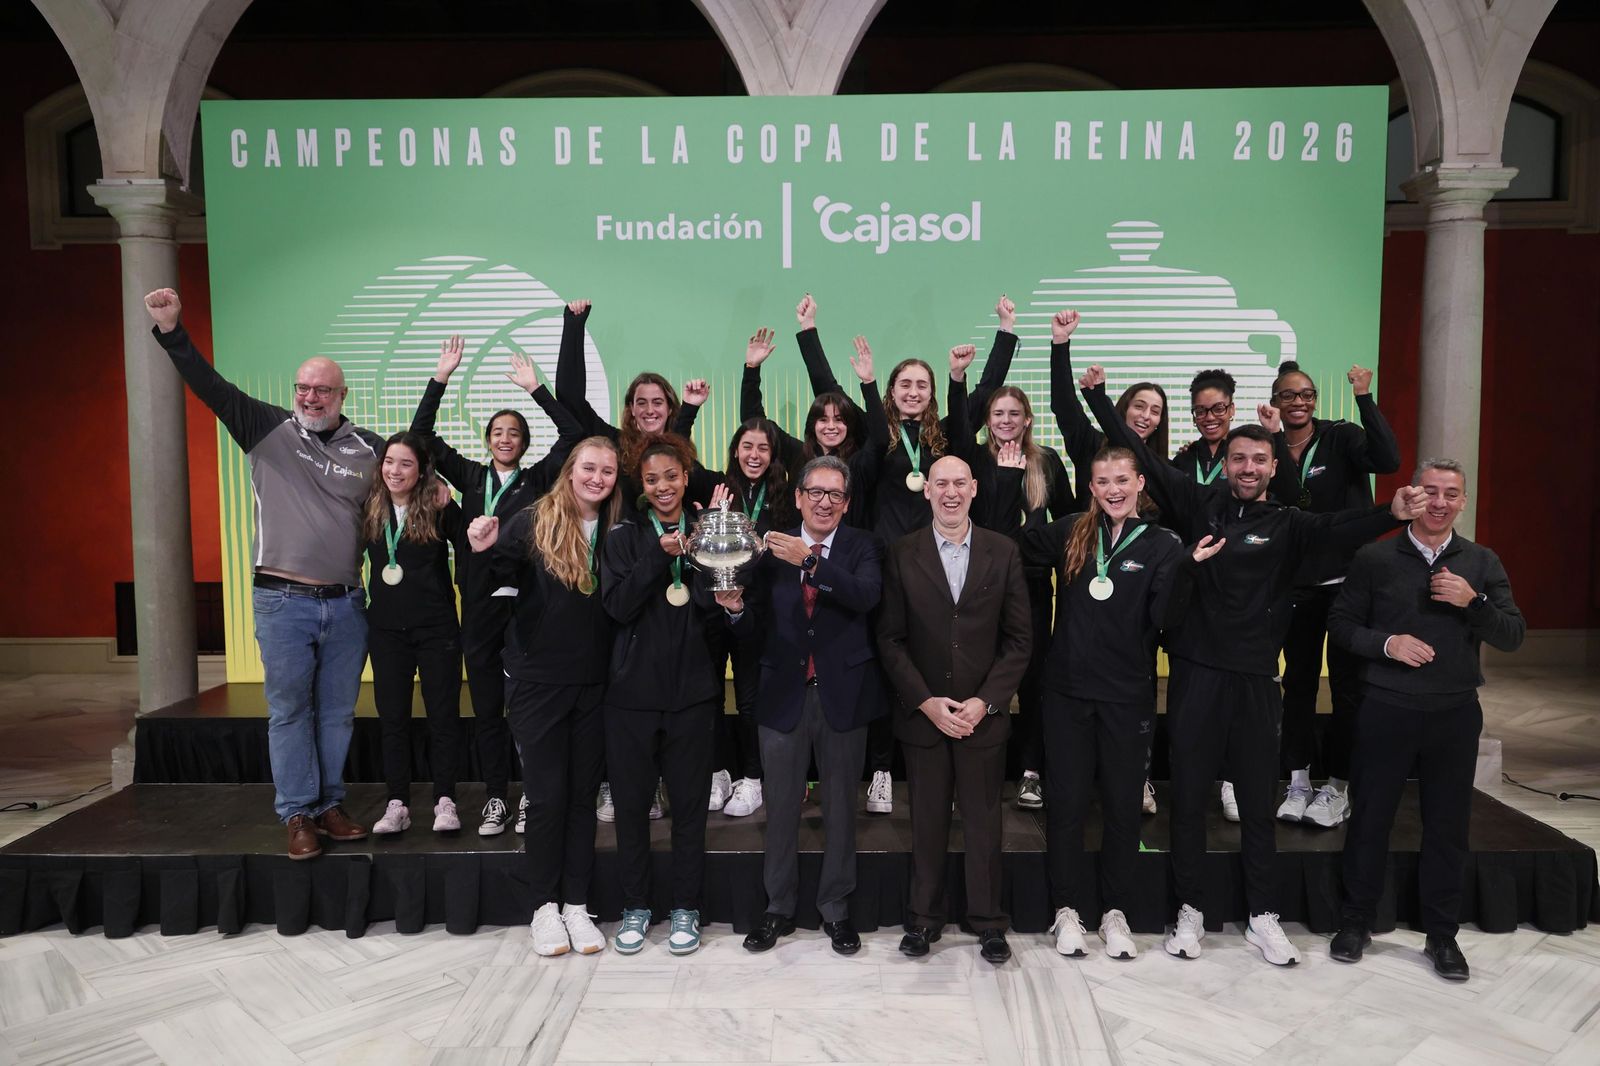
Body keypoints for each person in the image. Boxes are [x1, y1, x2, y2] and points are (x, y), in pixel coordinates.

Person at [1081, 364, 1424, 966]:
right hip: (1193, 674)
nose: (1245, 468)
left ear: (1271, 468)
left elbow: (1345, 525)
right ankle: (1189, 910)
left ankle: (1263, 913)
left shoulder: (1290, 523)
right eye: (1237, 459)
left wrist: (1392, 512)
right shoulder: (1197, 501)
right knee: (1187, 797)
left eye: (1257, 461)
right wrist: (1099, 398)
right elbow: (1140, 452)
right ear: (1226, 461)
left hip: (1256, 681)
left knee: (1258, 802)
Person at [145, 288, 381, 860]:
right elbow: (211, 388)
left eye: (322, 389)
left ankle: (329, 803)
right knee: (290, 710)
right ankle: (297, 812)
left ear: (342, 394)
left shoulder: (371, 448)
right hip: (283, 600)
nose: (310, 396)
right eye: (303, 387)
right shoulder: (267, 428)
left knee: (336, 712)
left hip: (347, 603)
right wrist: (173, 332)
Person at [1327, 459, 1524, 981]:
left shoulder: (1481, 561)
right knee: (1370, 818)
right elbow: (1342, 625)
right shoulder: (1375, 556)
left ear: (1464, 501)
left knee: (1447, 826)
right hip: (1386, 706)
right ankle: (1355, 921)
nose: (1439, 502)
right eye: (1430, 491)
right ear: (1415, 495)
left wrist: (1473, 601)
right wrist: (1387, 643)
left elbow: (1512, 634)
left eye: (1450, 494)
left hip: (1454, 712)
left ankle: (1442, 935)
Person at [1006, 445, 1194, 959]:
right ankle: (1066, 910)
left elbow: (1165, 618)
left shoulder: (1163, 544)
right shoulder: (1072, 531)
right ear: (1091, 488)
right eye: (1103, 481)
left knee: (1121, 810)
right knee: (1065, 807)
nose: (1113, 489)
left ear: (1139, 485)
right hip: (1065, 693)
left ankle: (1116, 913)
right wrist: (1006, 482)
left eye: (1122, 480)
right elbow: (1013, 544)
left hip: (1127, 696)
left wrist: (1188, 571)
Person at [410, 334, 585, 836]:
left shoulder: (538, 480)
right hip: (482, 612)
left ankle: (532, 794)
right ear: (487, 439)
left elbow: (572, 436)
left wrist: (537, 389)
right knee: (487, 709)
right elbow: (422, 436)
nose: (506, 438)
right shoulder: (467, 476)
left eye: (515, 433)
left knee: (529, 712)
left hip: (530, 612)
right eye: (498, 432)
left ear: (524, 443)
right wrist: (440, 378)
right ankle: (494, 797)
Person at [467, 436, 623, 956]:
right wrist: (485, 550)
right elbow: (498, 584)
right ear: (570, 471)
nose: (596, 477)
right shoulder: (534, 520)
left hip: (596, 685)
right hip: (537, 684)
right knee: (548, 797)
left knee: (582, 798)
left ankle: (577, 904)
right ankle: (543, 908)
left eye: (606, 470)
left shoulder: (618, 528)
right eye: (588, 468)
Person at [726, 456, 884, 955]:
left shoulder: (863, 545)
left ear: (846, 503)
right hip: (781, 696)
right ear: (797, 497)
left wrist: (810, 561)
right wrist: (734, 610)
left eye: (835, 495)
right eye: (815, 492)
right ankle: (777, 908)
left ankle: (836, 910)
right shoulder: (768, 547)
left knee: (840, 808)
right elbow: (753, 630)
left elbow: (865, 596)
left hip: (842, 696)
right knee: (780, 810)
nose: (824, 502)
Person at [877, 455, 1032, 964]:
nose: (949, 492)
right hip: (924, 716)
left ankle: (988, 921)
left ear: (974, 489)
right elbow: (890, 639)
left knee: (986, 821)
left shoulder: (1003, 550)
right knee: (925, 821)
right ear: (927, 492)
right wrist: (925, 702)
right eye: (940, 483)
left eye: (958, 483)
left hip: (980, 716)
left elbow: (1018, 641)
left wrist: (984, 702)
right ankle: (923, 920)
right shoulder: (901, 553)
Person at [600, 435, 723, 955]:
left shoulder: (704, 532)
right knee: (631, 809)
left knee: (690, 811)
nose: (663, 487)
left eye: (671, 476)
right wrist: (658, 553)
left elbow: (715, 610)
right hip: (631, 697)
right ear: (642, 486)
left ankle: (685, 909)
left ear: (686, 474)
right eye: (652, 480)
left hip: (693, 693)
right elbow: (619, 606)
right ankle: (635, 906)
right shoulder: (624, 536)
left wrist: (698, 549)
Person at [1266, 360, 1400, 828]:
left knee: (1348, 690)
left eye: (1307, 394)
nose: (1299, 401)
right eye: (1289, 395)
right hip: (1298, 588)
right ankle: (1298, 781)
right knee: (1298, 686)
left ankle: (1338, 787)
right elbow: (1285, 500)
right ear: (1276, 401)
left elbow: (1388, 460)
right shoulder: (1272, 446)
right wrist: (1273, 444)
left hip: (1349, 588)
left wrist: (1365, 397)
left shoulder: (1341, 436)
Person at [1047, 309, 1171, 817]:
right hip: (1086, 569)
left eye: (1156, 410)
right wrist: (1060, 346)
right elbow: (1060, 405)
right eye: (1138, 405)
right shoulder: (1090, 445)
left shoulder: (1166, 469)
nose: (1146, 415)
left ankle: (1135, 775)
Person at [967, 385, 1075, 812]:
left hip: (1031, 585)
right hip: (980, 587)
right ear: (988, 419)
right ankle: (978, 769)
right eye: (998, 413)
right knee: (980, 678)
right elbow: (988, 529)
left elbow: (1070, 518)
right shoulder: (975, 461)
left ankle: (1031, 772)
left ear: (1027, 419)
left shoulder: (1046, 461)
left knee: (1031, 682)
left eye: (1014, 413)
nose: (1006, 420)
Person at [363, 433, 466, 836]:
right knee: (393, 719)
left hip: (436, 628)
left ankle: (446, 800)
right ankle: (397, 803)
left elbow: (476, 545)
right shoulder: (370, 507)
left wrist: (454, 501)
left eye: (406, 463)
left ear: (422, 469)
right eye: (389, 461)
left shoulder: (439, 506)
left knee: (443, 718)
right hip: (386, 631)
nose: (395, 470)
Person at [703, 417, 795, 818]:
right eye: (747, 446)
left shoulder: (786, 497)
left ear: (773, 454)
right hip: (712, 606)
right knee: (707, 697)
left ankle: (753, 779)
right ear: (735, 450)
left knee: (750, 699)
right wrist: (710, 516)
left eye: (763, 448)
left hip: (759, 610)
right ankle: (720, 772)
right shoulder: (717, 489)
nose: (754, 455)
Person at [738, 296, 876, 524]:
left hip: (848, 553)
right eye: (822, 419)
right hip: (799, 551)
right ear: (812, 424)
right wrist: (752, 369)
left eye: (839, 419)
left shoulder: (859, 458)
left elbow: (828, 387)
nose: (831, 426)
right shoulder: (798, 454)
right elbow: (754, 425)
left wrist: (808, 328)